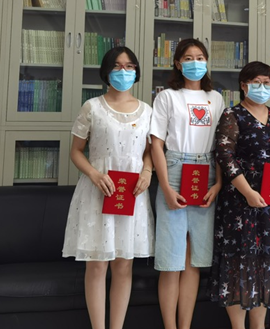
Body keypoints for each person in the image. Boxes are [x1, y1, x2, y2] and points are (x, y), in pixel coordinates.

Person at [62, 46, 155, 329]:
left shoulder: (147, 111)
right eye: (117, 66)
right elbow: (76, 151)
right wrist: (94, 173)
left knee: (124, 264)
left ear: (136, 72)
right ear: (106, 71)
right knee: (97, 264)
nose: (123, 71)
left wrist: (147, 171)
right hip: (98, 192)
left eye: (129, 66)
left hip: (132, 194)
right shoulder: (92, 107)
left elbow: (150, 151)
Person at [208, 61, 270, 329]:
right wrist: (247, 191)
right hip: (240, 203)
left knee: (264, 264)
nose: (262, 87)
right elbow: (225, 155)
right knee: (239, 264)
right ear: (243, 85)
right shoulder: (233, 115)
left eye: (267, 83)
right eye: (256, 82)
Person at [150, 38, 225, 329]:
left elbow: (221, 146)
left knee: (194, 259)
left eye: (200, 58)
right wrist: (166, 187)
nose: (195, 63)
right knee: (172, 259)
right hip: (175, 169)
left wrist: (218, 183)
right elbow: (156, 145)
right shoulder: (167, 97)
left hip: (206, 171)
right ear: (178, 64)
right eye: (189, 58)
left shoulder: (216, 98)